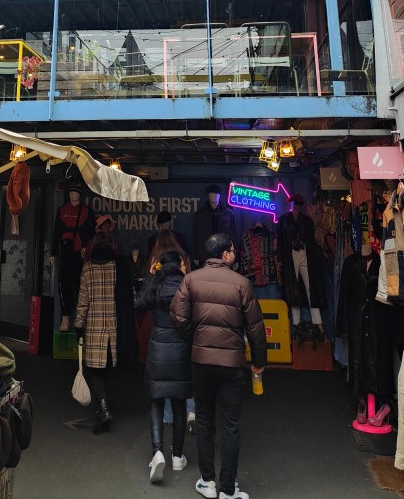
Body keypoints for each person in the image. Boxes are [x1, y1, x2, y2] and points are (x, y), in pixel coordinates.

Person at [170, 233, 266, 499]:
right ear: (225, 254)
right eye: (233, 250)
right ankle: (227, 489)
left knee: (204, 420)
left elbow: (177, 316)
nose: (234, 254)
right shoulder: (242, 283)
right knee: (230, 425)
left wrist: (196, 339)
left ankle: (207, 482)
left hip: (201, 363)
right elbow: (256, 328)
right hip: (232, 364)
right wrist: (259, 363)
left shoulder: (191, 279)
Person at [135, 250, 192, 484]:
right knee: (179, 404)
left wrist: (150, 277)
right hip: (181, 353)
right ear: (179, 264)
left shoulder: (156, 285)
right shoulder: (187, 286)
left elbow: (138, 303)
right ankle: (177, 456)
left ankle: (157, 452)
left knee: (156, 402)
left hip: (158, 353)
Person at [74, 221, 136, 434]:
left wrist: (78, 326)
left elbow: (83, 302)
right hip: (113, 327)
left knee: (95, 371)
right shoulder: (117, 267)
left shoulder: (87, 269)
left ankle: (103, 407)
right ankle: (106, 406)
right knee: (109, 369)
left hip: (94, 328)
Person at [276, 193, 325, 338]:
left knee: (311, 288)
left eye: (299, 203)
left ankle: (318, 323)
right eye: (294, 203)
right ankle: (296, 325)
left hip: (304, 253)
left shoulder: (307, 220)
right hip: (290, 254)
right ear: (290, 203)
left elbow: (311, 240)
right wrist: (280, 259)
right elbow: (280, 240)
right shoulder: (284, 220)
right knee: (293, 288)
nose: (297, 206)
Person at [50, 182, 95, 332]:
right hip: (65, 251)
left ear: (79, 194)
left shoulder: (86, 211)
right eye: (71, 192)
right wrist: (53, 252)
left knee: (80, 285)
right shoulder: (62, 210)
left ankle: (79, 318)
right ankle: (65, 317)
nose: (73, 194)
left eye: (75, 192)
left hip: (80, 253)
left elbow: (91, 231)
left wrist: (87, 246)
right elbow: (56, 232)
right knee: (64, 285)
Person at [193, 185, 236, 265]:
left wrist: (234, 257)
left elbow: (233, 235)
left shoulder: (228, 214)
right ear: (208, 195)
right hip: (205, 254)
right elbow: (196, 235)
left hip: (224, 254)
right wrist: (196, 255)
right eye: (211, 194)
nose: (213, 196)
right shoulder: (200, 214)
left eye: (216, 194)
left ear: (220, 196)